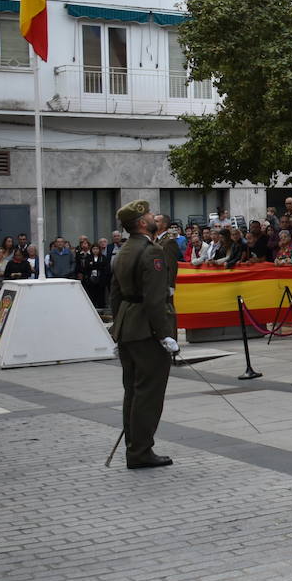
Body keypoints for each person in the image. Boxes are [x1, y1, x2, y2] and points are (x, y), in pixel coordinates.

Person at [109, 200, 176, 470]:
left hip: (128, 327)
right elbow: (154, 299)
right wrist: (164, 334)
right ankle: (140, 451)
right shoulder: (152, 251)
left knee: (133, 392)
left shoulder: (123, 250)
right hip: (147, 331)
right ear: (141, 223)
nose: (152, 216)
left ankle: (134, 447)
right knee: (148, 394)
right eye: (148, 214)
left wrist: (117, 330)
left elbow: (115, 295)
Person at [83, 242, 111, 308]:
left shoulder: (103, 257)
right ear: (91, 250)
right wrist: (96, 265)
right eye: (94, 249)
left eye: (97, 249)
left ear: (99, 250)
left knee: (101, 294)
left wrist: (94, 265)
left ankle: (101, 306)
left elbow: (106, 268)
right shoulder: (88, 257)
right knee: (92, 294)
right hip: (91, 279)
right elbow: (87, 268)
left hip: (101, 279)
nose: (95, 250)